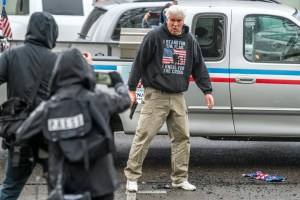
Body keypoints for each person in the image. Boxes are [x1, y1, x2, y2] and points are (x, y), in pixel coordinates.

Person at [16, 48, 131, 200]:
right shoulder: (97, 100)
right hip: (100, 185)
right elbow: (125, 101)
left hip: (65, 185)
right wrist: (117, 82)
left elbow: (22, 135)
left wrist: (46, 148)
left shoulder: (48, 108)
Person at [124, 5, 214, 192]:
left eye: (178, 21)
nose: (175, 24)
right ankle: (132, 177)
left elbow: (199, 66)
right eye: (171, 20)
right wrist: (131, 88)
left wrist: (207, 90)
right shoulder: (154, 36)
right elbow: (139, 62)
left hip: (178, 96)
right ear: (166, 20)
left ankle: (180, 179)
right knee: (144, 136)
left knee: (182, 138)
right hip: (155, 95)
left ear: (183, 21)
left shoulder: (189, 40)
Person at [0, 12, 59, 200]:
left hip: (21, 137)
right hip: (49, 138)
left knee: (10, 188)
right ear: (52, 33)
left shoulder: (11, 55)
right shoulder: (58, 61)